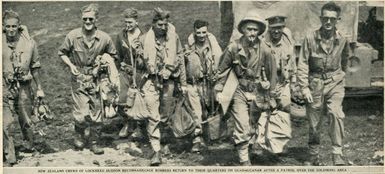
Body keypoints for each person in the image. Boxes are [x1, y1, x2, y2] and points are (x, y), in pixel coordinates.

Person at [215, 15, 277, 166]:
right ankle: (244, 160)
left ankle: (251, 147)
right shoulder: (233, 47)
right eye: (249, 29)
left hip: (258, 91)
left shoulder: (265, 49)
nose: (252, 33)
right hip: (239, 89)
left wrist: (271, 93)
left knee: (254, 124)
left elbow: (272, 73)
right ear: (243, 30)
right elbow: (222, 70)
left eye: (255, 30)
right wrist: (219, 89)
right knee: (242, 124)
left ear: (259, 32)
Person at [58, 3, 118, 155]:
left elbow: (113, 55)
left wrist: (103, 62)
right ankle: (79, 133)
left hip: (97, 79)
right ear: (81, 19)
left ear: (96, 19)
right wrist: (71, 65)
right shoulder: (73, 36)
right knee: (81, 113)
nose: (88, 22)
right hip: (79, 78)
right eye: (85, 19)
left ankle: (95, 142)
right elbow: (62, 53)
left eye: (91, 19)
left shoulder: (104, 38)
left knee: (97, 112)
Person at [297, 1, 351, 166]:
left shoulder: (342, 39)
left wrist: (341, 77)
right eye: (325, 18)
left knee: (336, 113)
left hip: (335, 82)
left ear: (337, 20)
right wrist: (304, 87)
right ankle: (314, 153)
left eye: (332, 19)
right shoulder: (310, 38)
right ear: (321, 18)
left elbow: (345, 60)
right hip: (315, 83)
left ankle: (337, 153)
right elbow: (303, 63)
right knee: (314, 121)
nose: (328, 22)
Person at [140, 7, 185, 166]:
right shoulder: (144, 39)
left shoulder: (173, 38)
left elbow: (180, 58)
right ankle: (155, 150)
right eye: (160, 24)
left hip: (168, 82)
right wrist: (147, 65)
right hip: (151, 82)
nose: (163, 27)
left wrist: (180, 79)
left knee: (165, 114)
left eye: (165, 24)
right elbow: (137, 64)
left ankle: (164, 140)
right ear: (153, 24)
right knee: (153, 115)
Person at [2, 9, 45, 165]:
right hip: (4, 87)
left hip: (24, 86)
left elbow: (35, 66)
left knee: (25, 119)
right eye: (8, 26)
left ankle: (29, 146)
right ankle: (10, 155)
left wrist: (39, 87)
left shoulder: (29, 43)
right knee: (6, 122)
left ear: (19, 26)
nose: (11, 30)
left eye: (14, 26)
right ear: (3, 26)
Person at [184, 19, 222, 152]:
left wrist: (217, 77)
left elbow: (220, 63)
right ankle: (197, 138)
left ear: (207, 31)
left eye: (204, 32)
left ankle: (211, 136)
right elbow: (183, 65)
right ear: (194, 31)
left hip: (209, 83)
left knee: (210, 109)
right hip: (193, 84)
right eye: (198, 32)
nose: (201, 35)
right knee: (196, 112)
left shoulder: (213, 45)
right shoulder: (188, 46)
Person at [115, 8, 145, 139]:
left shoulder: (144, 36)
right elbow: (117, 55)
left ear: (136, 21)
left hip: (139, 73)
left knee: (139, 99)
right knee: (122, 100)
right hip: (125, 72)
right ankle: (127, 123)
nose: (127, 25)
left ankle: (139, 126)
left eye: (130, 22)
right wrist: (120, 66)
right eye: (126, 22)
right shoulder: (121, 36)